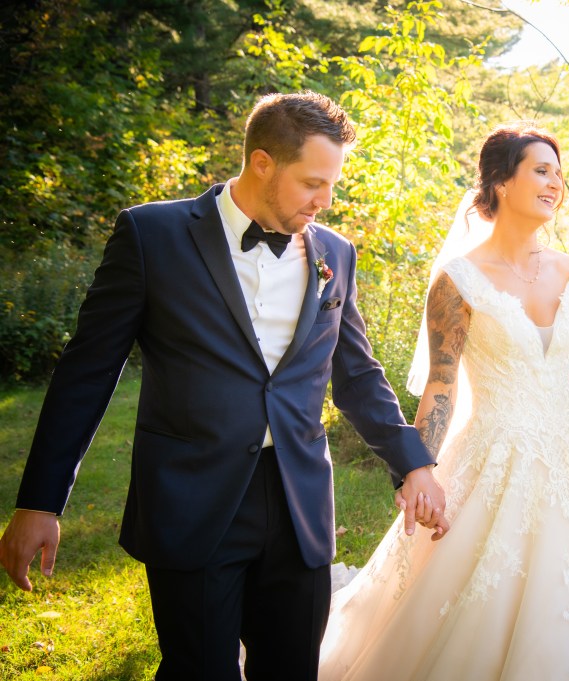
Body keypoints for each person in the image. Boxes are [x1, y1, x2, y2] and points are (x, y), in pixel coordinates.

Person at [0, 91, 449, 681]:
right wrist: (40, 499)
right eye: (313, 182)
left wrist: (413, 463)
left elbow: (359, 374)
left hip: (299, 504)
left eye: (332, 184)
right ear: (261, 162)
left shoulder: (335, 253)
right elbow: (87, 372)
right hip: (192, 499)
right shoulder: (151, 235)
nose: (326, 200)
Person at [317, 122, 569, 680]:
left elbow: (563, 363)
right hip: (494, 457)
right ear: (501, 181)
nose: (555, 184)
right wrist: (419, 467)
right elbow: (442, 383)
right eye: (541, 171)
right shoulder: (459, 281)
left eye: (560, 174)